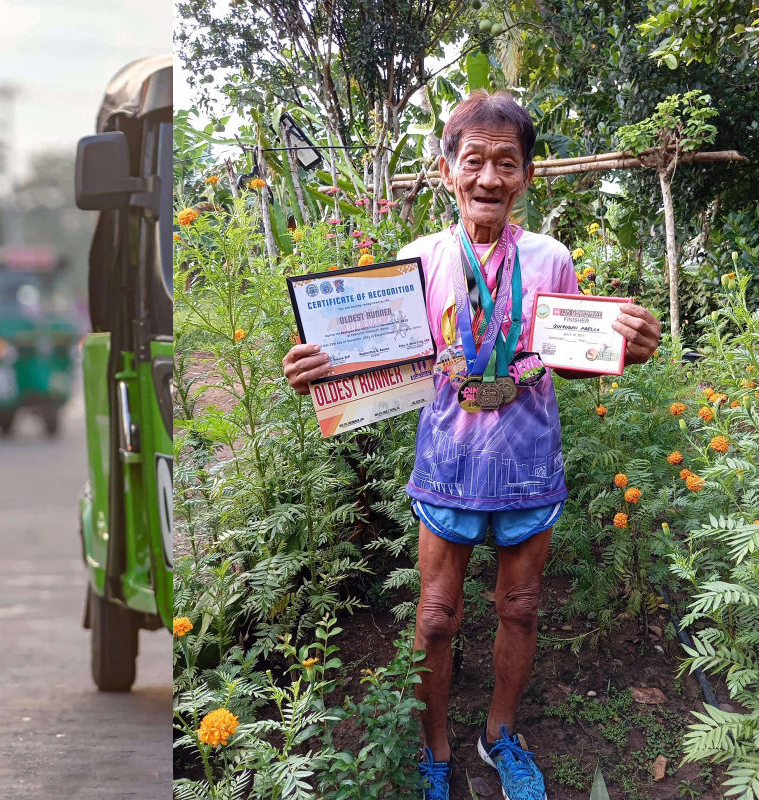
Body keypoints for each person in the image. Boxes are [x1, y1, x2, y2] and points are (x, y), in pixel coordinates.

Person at [282, 91, 662, 800]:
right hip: (448, 465)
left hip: (526, 463)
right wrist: (319, 374)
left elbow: (569, 353)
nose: (490, 178)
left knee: (520, 606)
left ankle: (500, 736)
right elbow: (380, 359)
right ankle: (435, 749)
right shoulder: (419, 259)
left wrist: (625, 349)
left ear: (526, 177)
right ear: (447, 168)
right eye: (475, 159)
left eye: (507, 163)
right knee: (434, 616)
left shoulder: (550, 259)